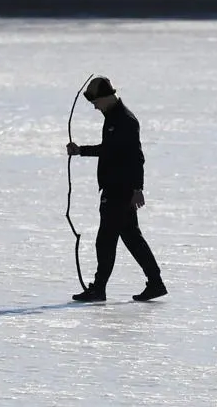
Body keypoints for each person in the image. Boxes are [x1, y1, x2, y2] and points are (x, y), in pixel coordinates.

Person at [65, 75, 167, 303]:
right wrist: (80, 151)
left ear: (107, 97)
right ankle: (156, 283)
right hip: (116, 188)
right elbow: (111, 150)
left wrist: (137, 188)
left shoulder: (125, 120)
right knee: (131, 238)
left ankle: (99, 289)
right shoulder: (112, 117)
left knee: (106, 240)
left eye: (96, 101)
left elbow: (136, 157)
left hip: (119, 190)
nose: (94, 106)